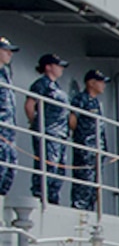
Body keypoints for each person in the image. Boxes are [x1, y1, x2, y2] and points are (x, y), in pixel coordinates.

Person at [25, 52, 69, 204]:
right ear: (48, 67)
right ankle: (41, 196)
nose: (61, 69)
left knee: (59, 169)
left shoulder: (56, 86)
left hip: (60, 134)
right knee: (48, 166)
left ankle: (52, 198)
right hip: (48, 131)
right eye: (58, 66)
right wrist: (36, 125)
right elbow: (30, 105)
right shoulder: (41, 84)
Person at [66, 68, 107, 212]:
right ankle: (79, 209)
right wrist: (80, 139)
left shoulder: (96, 103)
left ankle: (89, 209)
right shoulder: (80, 99)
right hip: (85, 149)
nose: (104, 85)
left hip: (97, 150)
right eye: (101, 82)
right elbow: (73, 119)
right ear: (91, 83)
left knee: (94, 185)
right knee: (83, 182)